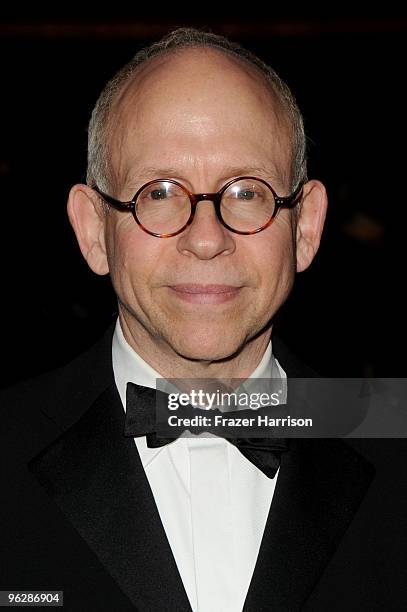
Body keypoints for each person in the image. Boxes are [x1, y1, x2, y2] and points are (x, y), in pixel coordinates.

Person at [0, 27, 406, 612]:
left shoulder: (397, 445)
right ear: (93, 231)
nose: (208, 238)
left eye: (246, 191)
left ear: (306, 227)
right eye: (159, 192)